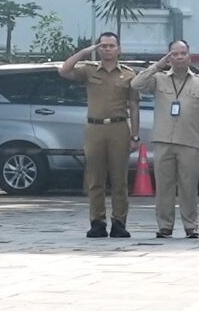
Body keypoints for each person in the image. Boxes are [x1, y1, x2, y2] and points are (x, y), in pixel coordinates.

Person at [57, 33, 139, 239]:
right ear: (98, 49)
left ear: (119, 49)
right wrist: (85, 52)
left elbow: (135, 106)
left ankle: (119, 222)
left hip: (119, 128)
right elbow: (64, 70)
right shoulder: (89, 70)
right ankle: (97, 222)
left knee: (119, 179)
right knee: (95, 179)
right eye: (103, 46)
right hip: (95, 128)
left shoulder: (129, 74)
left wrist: (135, 135)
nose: (107, 49)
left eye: (111, 46)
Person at [132, 40, 199, 238]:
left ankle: (191, 226)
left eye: (183, 53)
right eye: (174, 54)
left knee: (188, 186)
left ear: (189, 56)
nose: (179, 57)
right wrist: (157, 65)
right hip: (163, 141)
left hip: (190, 142)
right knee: (164, 186)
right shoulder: (159, 79)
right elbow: (136, 84)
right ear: (169, 57)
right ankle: (165, 225)